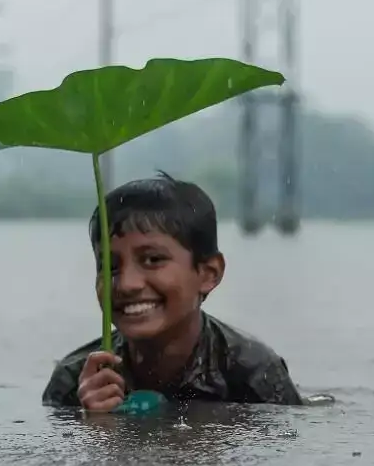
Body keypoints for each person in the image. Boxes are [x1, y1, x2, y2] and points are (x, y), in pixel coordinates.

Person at [41, 172, 303, 412]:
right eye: (109, 266)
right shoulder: (74, 380)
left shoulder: (253, 372)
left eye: (152, 260)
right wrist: (94, 425)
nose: (126, 284)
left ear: (208, 273)